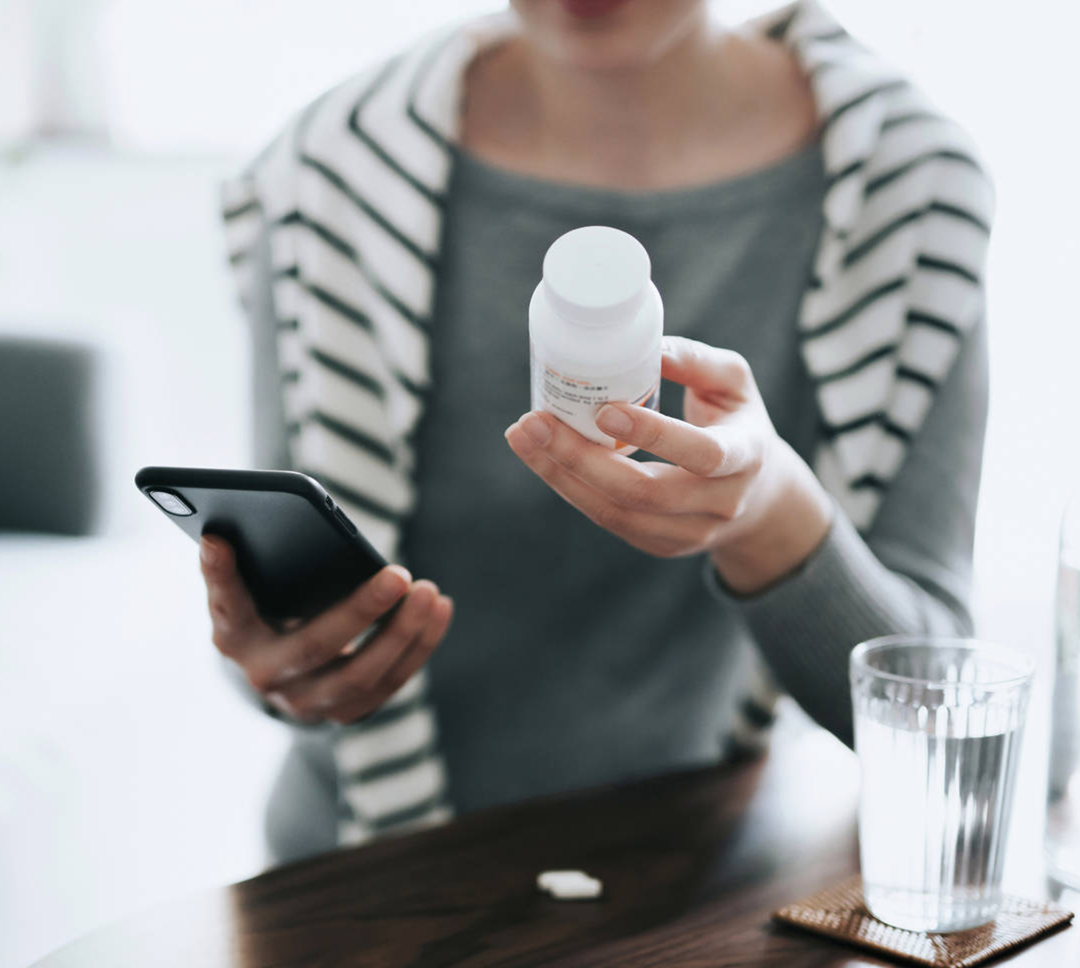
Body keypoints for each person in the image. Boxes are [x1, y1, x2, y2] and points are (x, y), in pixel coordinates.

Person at [210, 0, 991, 863]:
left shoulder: (903, 187)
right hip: (361, 880)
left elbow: (944, 714)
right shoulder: (333, 173)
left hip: (695, 890)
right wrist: (283, 662)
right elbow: (282, 621)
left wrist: (770, 512)